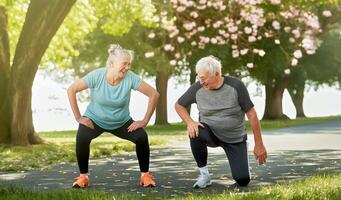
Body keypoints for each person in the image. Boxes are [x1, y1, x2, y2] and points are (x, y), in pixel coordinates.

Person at [67, 44, 159, 188]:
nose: (127, 67)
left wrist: (144, 120)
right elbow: (71, 89)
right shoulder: (97, 76)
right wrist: (79, 118)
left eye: (129, 64)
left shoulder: (130, 78)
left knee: (141, 137)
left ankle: (145, 176)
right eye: (124, 64)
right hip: (95, 120)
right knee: (82, 136)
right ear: (112, 64)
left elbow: (154, 94)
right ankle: (83, 177)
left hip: (121, 122)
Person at [175, 55, 267, 188]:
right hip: (210, 134)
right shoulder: (197, 89)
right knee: (194, 131)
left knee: (242, 180)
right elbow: (179, 105)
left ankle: (242, 162)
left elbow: (252, 115)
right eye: (199, 78)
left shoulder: (236, 86)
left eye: (204, 78)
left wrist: (259, 145)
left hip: (234, 138)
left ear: (217, 74)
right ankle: (204, 175)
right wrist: (190, 122)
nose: (201, 82)